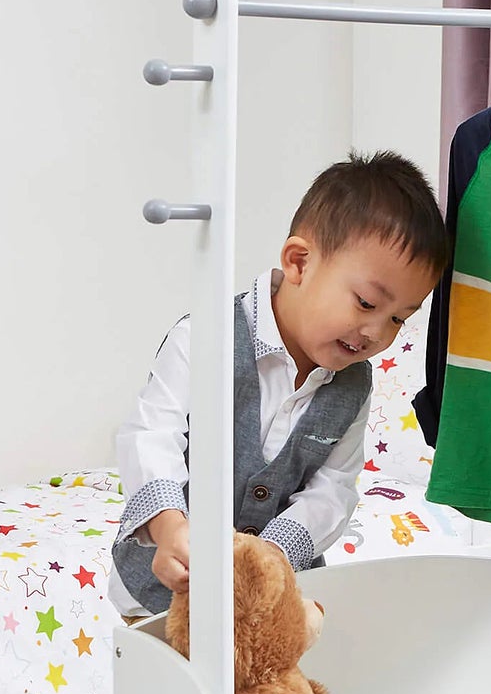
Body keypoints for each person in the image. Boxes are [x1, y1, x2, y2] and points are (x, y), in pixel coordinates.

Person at [110, 150, 447, 617]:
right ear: (299, 262)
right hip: (162, 595)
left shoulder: (354, 384)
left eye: (398, 319)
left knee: (273, 687)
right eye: (367, 303)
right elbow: (151, 436)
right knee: (170, 685)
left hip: (271, 600)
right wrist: (169, 527)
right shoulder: (208, 337)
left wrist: (272, 555)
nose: (378, 334)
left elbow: (334, 487)